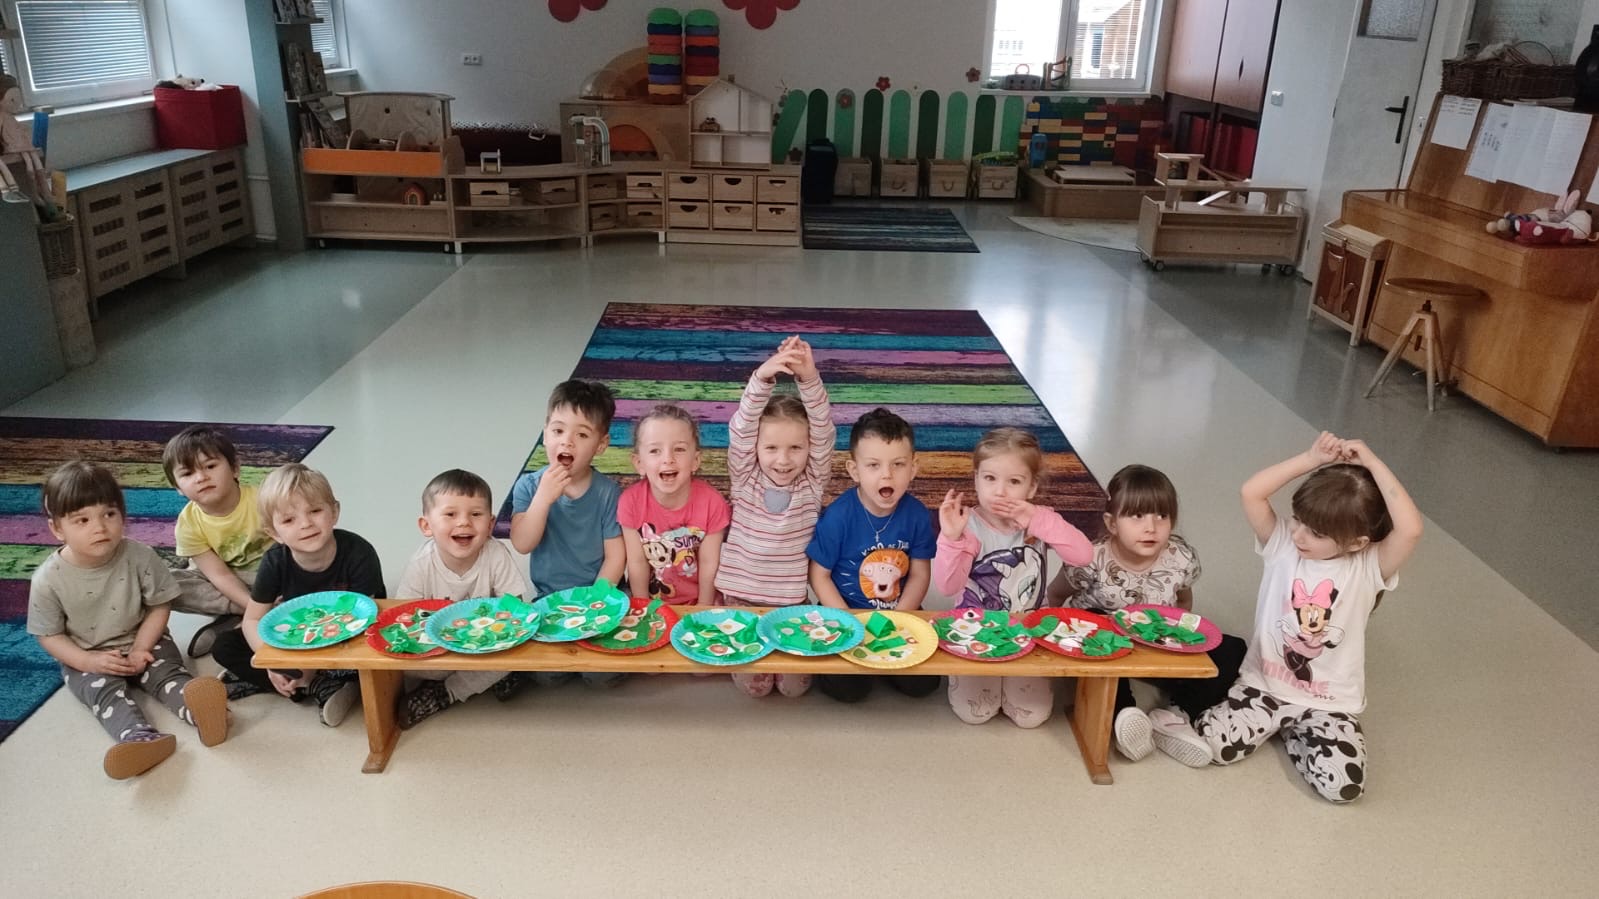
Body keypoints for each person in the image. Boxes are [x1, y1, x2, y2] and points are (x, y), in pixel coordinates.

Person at [1147, 432, 1422, 803]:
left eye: (1316, 532)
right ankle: (1178, 717)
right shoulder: (1282, 546)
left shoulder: (1368, 567)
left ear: (1357, 542)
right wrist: (1311, 459)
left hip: (1329, 703)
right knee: (1217, 747)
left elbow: (1411, 529)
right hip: (1265, 686)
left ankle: (1294, 732)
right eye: (1298, 520)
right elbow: (1251, 492)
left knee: (1344, 788)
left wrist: (1372, 463)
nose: (1299, 535)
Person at [26, 461, 229, 779]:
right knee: (105, 694)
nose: (99, 527)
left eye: (109, 514)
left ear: (122, 514)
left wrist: (141, 647)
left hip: (144, 637)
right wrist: (87, 661)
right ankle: (139, 739)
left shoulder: (140, 555)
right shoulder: (47, 580)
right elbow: (49, 635)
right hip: (86, 654)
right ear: (57, 529)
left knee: (167, 674)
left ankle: (203, 712)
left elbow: (159, 605)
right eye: (82, 520)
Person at [1045, 464, 1246, 759]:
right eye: (1137, 516)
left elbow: (1183, 600)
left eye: (1161, 515)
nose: (1151, 527)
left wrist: (1180, 641)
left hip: (1155, 640)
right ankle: (1124, 714)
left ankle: (1175, 715)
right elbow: (1056, 595)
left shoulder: (1180, 557)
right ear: (1112, 524)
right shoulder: (1091, 558)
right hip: (1104, 646)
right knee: (1097, 618)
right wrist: (1060, 651)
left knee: (1234, 649)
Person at [934, 428, 1093, 728]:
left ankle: (1013, 676)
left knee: (1031, 716)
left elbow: (1083, 555)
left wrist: (1037, 519)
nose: (1000, 492)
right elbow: (947, 586)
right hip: (975, 630)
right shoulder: (968, 526)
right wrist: (951, 539)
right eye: (989, 478)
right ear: (976, 479)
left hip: (1028, 629)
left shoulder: (1040, 519)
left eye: (1014, 482)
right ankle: (966, 674)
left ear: (1032, 487)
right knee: (976, 712)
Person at [210, 463, 385, 726]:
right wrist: (272, 661)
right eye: (289, 520)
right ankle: (313, 685)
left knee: (374, 659)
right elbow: (252, 619)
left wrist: (309, 664)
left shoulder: (359, 553)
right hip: (299, 636)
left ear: (334, 512)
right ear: (274, 533)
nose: (306, 524)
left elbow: (364, 622)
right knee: (224, 646)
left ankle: (307, 682)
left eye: (315, 511)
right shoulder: (274, 561)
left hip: (349, 636)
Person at [713, 337, 834, 699]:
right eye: (771, 448)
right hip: (740, 600)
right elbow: (741, 429)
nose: (783, 460)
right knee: (757, 687)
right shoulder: (744, 477)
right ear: (756, 448)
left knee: (794, 688)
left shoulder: (812, 483)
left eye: (796, 448)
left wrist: (809, 378)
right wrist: (761, 378)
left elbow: (824, 429)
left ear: (809, 449)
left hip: (790, 601)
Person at [806, 407, 938, 703]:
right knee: (847, 690)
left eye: (898, 464)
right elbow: (819, 575)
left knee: (925, 684)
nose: (886, 474)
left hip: (899, 609)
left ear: (913, 468)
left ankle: (884, 664)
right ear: (855, 470)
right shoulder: (839, 516)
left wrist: (899, 619)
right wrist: (848, 621)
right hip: (845, 609)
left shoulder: (917, 515)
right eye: (874, 465)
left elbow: (920, 574)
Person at [509, 379, 625, 689]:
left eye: (582, 434)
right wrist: (543, 499)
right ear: (545, 433)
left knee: (602, 676)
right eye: (558, 431)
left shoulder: (608, 493)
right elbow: (522, 543)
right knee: (546, 677)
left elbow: (616, 557)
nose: (567, 442)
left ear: (601, 444)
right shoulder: (529, 487)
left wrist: (596, 601)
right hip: (550, 599)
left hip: (597, 596)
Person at [394, 469, 532, 728]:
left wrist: (496, 637)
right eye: (450, 514)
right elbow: (403, 615)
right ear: (426, 525)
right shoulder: (421, 563)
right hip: (439, 645)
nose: (464, 523)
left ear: (490, 524)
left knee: (515, 653)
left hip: (484, 643)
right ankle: (476, 680)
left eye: (476, 514)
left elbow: (516, 609)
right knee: (401, 662)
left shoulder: (496, 555)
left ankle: (447, 693)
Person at [161, 425, 276, 658]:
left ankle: (241, 621)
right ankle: (247, 613)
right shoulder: (188, 523)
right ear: (177, 488)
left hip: (272, 576)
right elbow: (219, 575)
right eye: (187, 474)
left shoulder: (263, 500)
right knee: (164, 583)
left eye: (210, 466)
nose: (201, 478)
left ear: (235, 468)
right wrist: (253, 606)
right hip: (229, 582)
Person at [618, 403, 730, 606]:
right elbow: (637, 562)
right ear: (639, 463)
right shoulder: (630, 502)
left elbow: (709, 563)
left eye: (679, 449)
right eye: (655, 451)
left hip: (701, 602)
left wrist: (702, 609)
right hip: (654, 604)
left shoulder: (713, 503)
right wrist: (644, 609)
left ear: (695, 460)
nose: (668, 459)